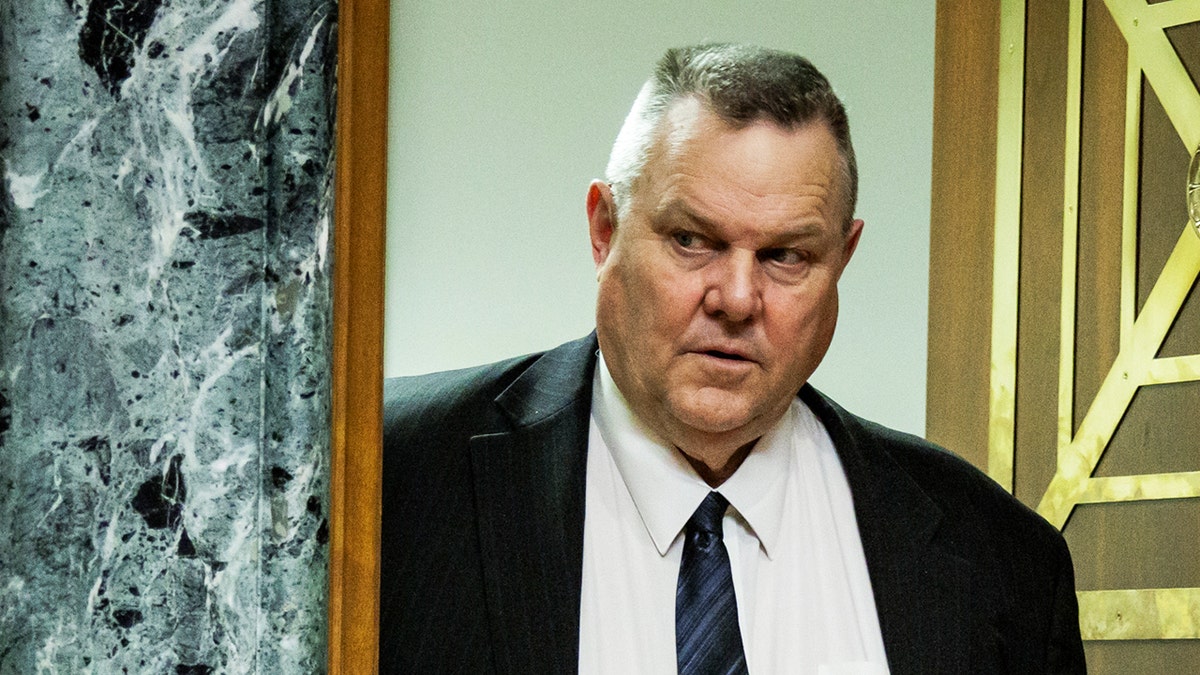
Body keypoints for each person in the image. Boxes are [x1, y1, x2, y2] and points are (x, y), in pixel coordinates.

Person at [380, 43, 1087, 674]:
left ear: (842, 259)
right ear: (603, 231)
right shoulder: (389, 477)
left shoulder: (1004, 564)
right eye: (693, 240)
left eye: (786, 256)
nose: (738, 298)